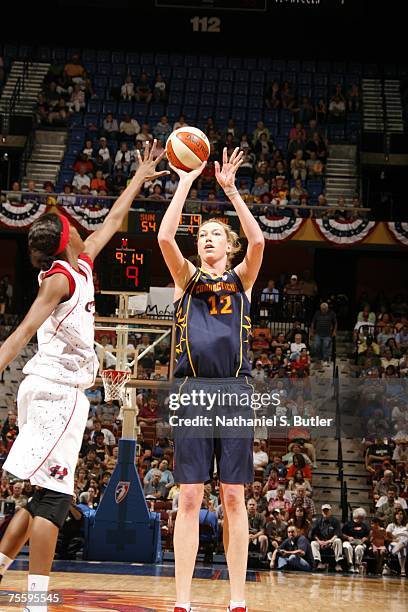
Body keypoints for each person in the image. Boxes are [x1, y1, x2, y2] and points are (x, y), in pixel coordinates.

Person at [0, 141, 168, 610]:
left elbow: (114, 219)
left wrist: (139, 176)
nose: (80, 229)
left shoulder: (83, 262)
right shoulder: (60, 278)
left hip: (53, 391)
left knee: (38, 500)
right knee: (56, 499)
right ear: (64, 240)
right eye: (72, 228)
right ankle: (36, 599)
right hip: (57, 394)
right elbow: (25, 329)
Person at [158, 147, 264, 612]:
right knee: (188, 496)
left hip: (235, 391)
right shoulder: (185, 280)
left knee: (235, 496)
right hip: (193, 392)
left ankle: (237, 598)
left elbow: (260, 242)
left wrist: (231, 191)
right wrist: (185, 180)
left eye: (216, 235)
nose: (206, 239)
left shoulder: (242, 279)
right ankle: (183, 601)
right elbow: (165, 237)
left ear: (229, 246)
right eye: (202, 234)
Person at [310, 504, 344, 571]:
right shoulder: (317, 521)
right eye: (324, 511)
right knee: (313, 543)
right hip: (320, 542)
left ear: (330, 511)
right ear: (322, 512)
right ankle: (318, 563)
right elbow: (313, 534)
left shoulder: (335, 521)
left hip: (331, 542)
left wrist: (329, 541)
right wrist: (319, 541)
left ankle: (338, 564)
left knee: (338, 540)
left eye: (327, 510)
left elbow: (337, 534)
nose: (325, 512)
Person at [310, 302, 337, 367]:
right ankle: (320, 358)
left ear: (327, 308)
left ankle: (325, 360)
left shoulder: (332, 313)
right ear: (320, 308)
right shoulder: (317, 313)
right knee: (316, 346)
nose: (323, 310)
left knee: (326, 346)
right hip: (318, 333)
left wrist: (334, 331)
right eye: (322, 309)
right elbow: (313, 322)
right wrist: (311, 331)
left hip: (327, 334)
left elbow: (335, 323)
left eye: (325, 309)